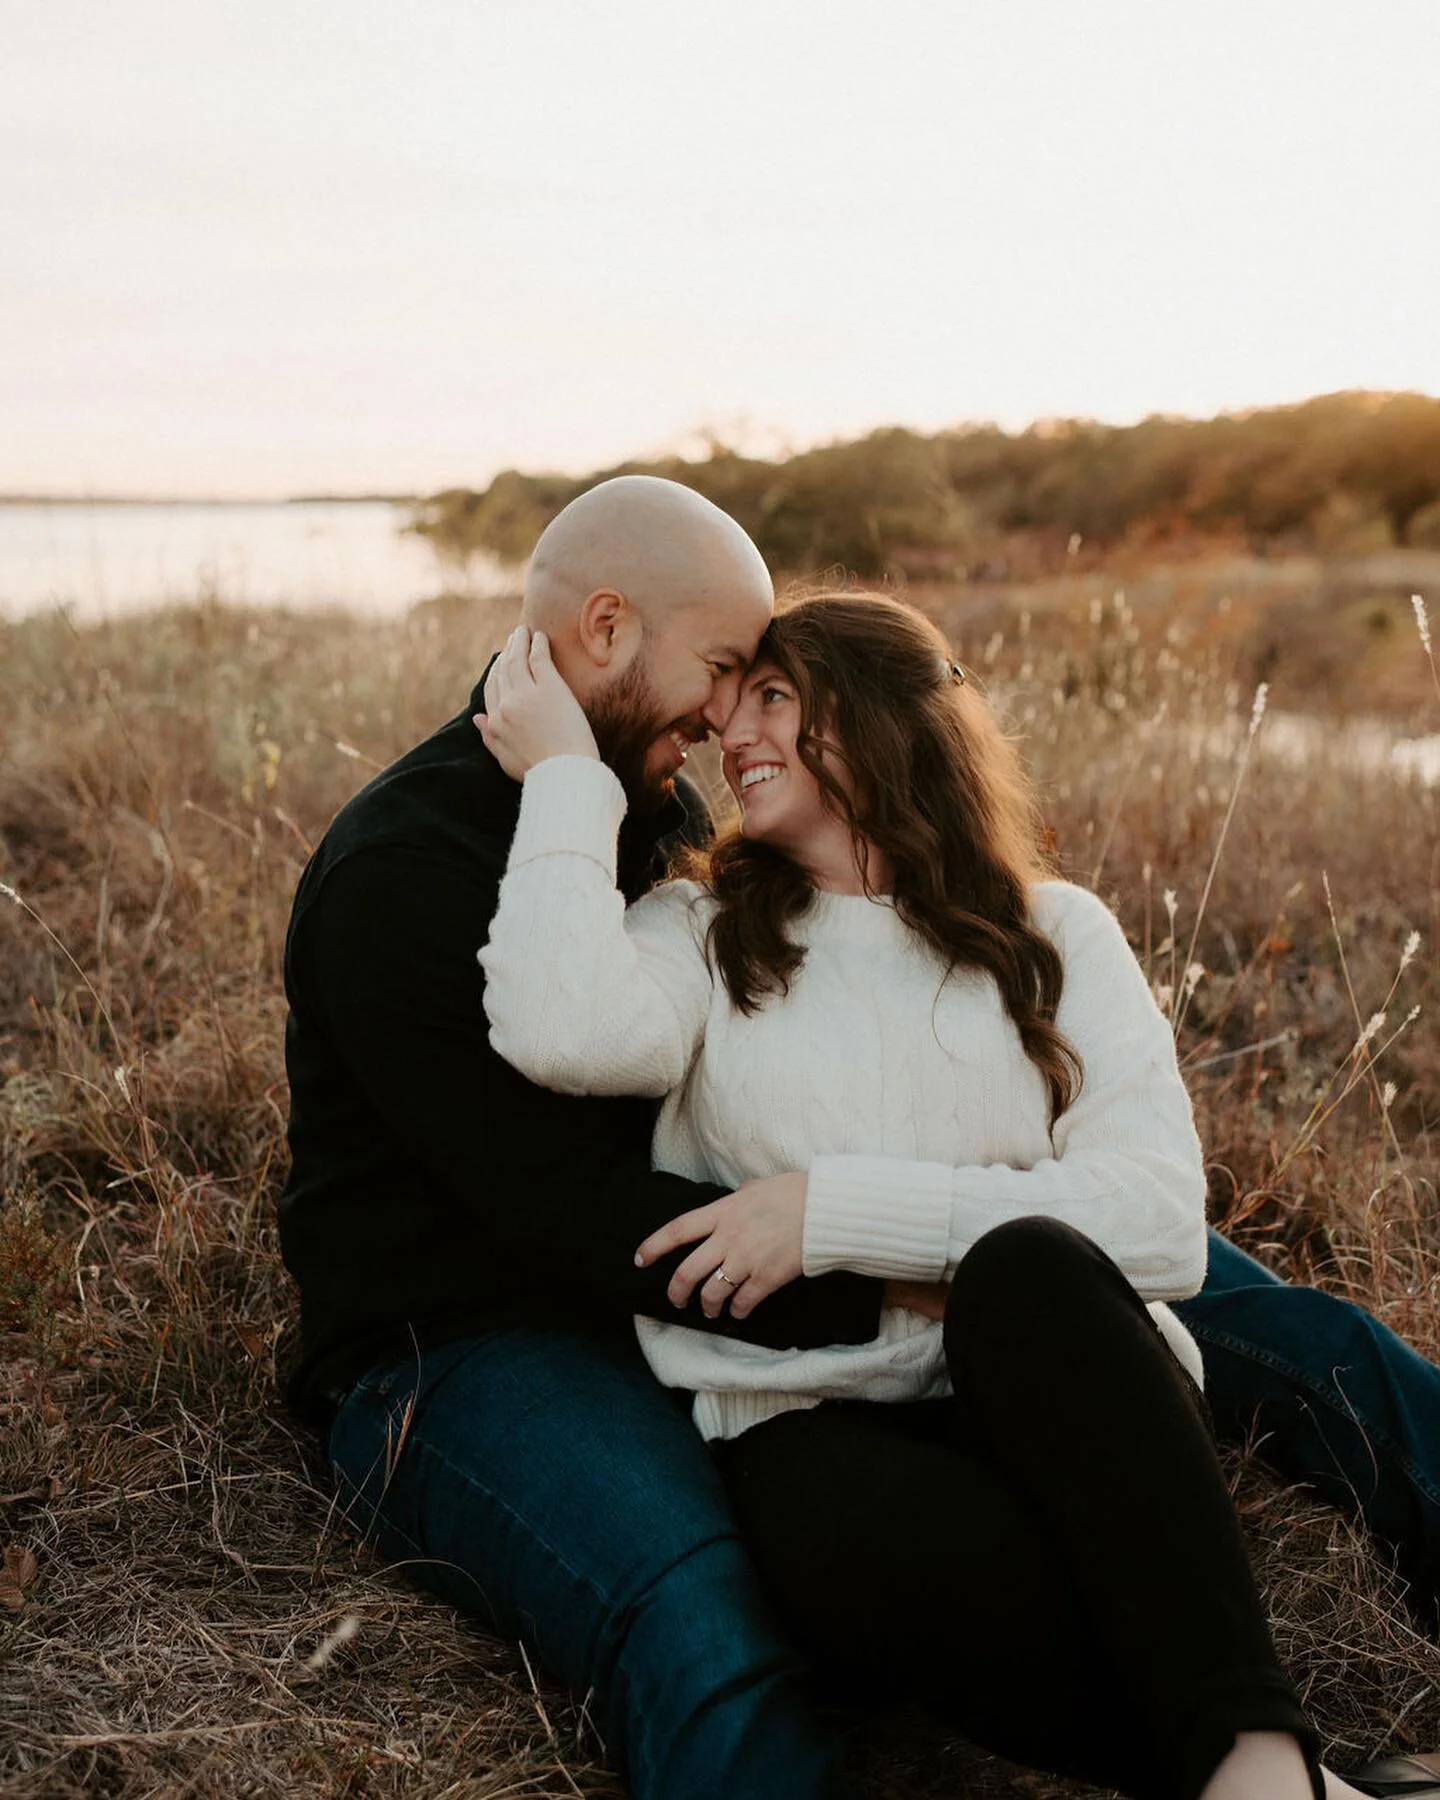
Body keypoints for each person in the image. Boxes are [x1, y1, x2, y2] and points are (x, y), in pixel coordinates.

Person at [278, 476, 1437, 1800]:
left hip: (835, 1239)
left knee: (1278, 1330)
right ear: (606, 630)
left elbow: (1085, 1203)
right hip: (491, 1319)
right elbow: (569, 1211)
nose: (725, 722)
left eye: (765, 690)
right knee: (714, 1602)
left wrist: (886, 1230)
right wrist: (885, 1279)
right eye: (725, 674)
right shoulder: (408, 871)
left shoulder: (679, 812)